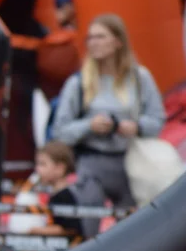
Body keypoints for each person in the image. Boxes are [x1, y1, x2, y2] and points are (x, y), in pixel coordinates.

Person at [51, 13, 166, 209]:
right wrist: (89, 125)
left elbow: (158, 120)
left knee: (134, 225)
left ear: (118, 41)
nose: (93, 43)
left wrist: (135, 127)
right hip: (91, 162)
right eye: (90, 38)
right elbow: (60, 131)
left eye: (100, 37)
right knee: (89, 221)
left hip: (132, 162)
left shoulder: (140, 78)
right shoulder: (78, 83)